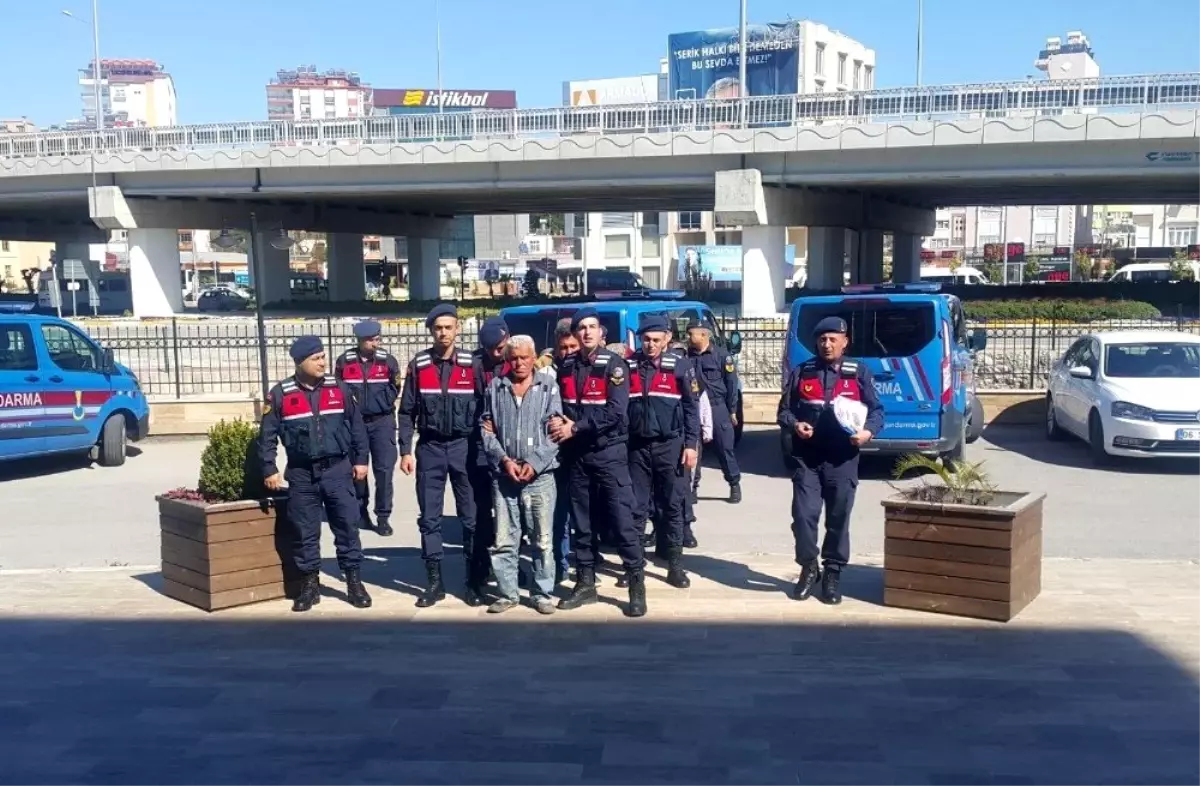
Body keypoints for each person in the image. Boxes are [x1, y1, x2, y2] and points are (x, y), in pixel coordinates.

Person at [259, 335, 372, 612]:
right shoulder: (281, 394)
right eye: (316, 358)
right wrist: (269, 467)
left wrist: (361, 461)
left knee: (347, 526)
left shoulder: (340, 389)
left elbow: (357, 428)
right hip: (301, 474)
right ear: (300, 363)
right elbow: (267, 435)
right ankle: (310, 585)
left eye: (323, 356)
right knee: (305, 531)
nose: (323, 362)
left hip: (337, 470)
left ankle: (354, 582)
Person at [777, 316, 885, 606]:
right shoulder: (803, 371)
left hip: (842, 459)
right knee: (803, 516)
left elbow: (877, 411)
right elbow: (784, 411)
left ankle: (833, 571)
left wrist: (867, 432)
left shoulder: (858, 372)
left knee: (838, 519)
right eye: (822, 339)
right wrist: (795, 424)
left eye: (833, 339)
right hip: (808, 458)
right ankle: (809, 566)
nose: (827, 344)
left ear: (844, 341)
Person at [551, 307, 647, 617]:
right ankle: (585, 583)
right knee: (582, 523)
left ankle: (636, 585)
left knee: (621, 520)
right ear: (575, 334)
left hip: (609, 454)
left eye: (592, 327)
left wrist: (575, 427)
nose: (587, 333)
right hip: (577, 455)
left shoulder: (614, 366)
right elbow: (560, 405)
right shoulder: (566, 366)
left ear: (600, 332)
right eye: (582, 328)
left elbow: (616, 413)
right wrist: (557, 422)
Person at [398, 304, 485, 608]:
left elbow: (484, 408)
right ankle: (434, 583)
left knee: (471, 519)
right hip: (430, 448)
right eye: (438, 328)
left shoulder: (471, 365)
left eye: (449, 327)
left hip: (464, 448)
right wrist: (405, 450)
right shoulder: (419, 365)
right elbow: (406, 411)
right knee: (430, 519)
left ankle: (472, 582)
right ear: (431, 331)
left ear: (457, 329)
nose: (444, 332)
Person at [481, 335, 562, 615]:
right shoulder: (496, 388)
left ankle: (541, 593)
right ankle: (507, 593)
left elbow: (556, 432)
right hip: (505, 476)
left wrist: (535, 462)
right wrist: (503, 460)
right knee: (504, 538)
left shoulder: (548, 387)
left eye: (524, 357)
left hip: (540, 477)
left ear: (534, 357)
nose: (518, 363)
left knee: (542, 539)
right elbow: (486, 431)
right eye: (513, 358)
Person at [627, 315, 699, 589]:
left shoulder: (680, 367)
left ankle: (675, 566)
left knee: (672, 506)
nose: (651, 345)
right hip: (637, 448)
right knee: (636, 508)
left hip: (671, 446)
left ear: (667, 339)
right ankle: (634, 567)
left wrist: (691, 445)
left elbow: (692, 409)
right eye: (646, 339)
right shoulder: (628, 366)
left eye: (656, 340)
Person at [334, 319, 401, 536]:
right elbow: (338, 390)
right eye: (371, 340)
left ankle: (383, 516)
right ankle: (360, 512)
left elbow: (395, 387)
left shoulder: (387, 361)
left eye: (377, 339)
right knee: (357, 471)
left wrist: (382, 402)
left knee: (384, 472)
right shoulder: (345, 362)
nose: (376, 343)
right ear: (361, 341)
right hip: (356, 424)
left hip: (382, 423)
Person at [469, 316, 511, 584]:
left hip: (511, 448)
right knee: (482, 512)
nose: (494, 355)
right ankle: (481, 567)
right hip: (480, 449)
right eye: (489, 350)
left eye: (498, 349)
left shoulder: (517, 362)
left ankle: (511, 568)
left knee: (510, 514)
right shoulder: (474, 365)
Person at [687, 320, 742, 504]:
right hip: (693, 406)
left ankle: (734, 484)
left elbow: (731, 384)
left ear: (703, 335)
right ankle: (692, 489)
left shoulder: (721, 356)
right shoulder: (686, 357)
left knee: (724, 448)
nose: (687, 337)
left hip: (717, 406)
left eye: (691, 333)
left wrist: (732, 410)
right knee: (694, 449)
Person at [541, 318, 578, 582]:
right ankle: (559, 565)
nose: (568, 353)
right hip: (553, 451)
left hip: (582, 449)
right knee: (557, 514)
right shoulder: (545, 374)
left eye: (573, 346)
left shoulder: (587, 370)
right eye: (563, 347)